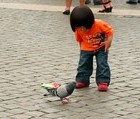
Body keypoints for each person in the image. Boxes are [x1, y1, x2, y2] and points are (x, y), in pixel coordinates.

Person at [70, 6, 113, 91]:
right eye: (79, 27)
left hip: (101, 47)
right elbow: (80, 40)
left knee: (102, 64)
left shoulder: (99, 24)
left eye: (84, 27)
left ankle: (103, 81)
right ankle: (82, 80)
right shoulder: (77, 30)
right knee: (83, 64)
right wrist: (82, 51)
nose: (82, 29)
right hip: (86, 48)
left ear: (90, 22)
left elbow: (110, 31)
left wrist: (108, 42)